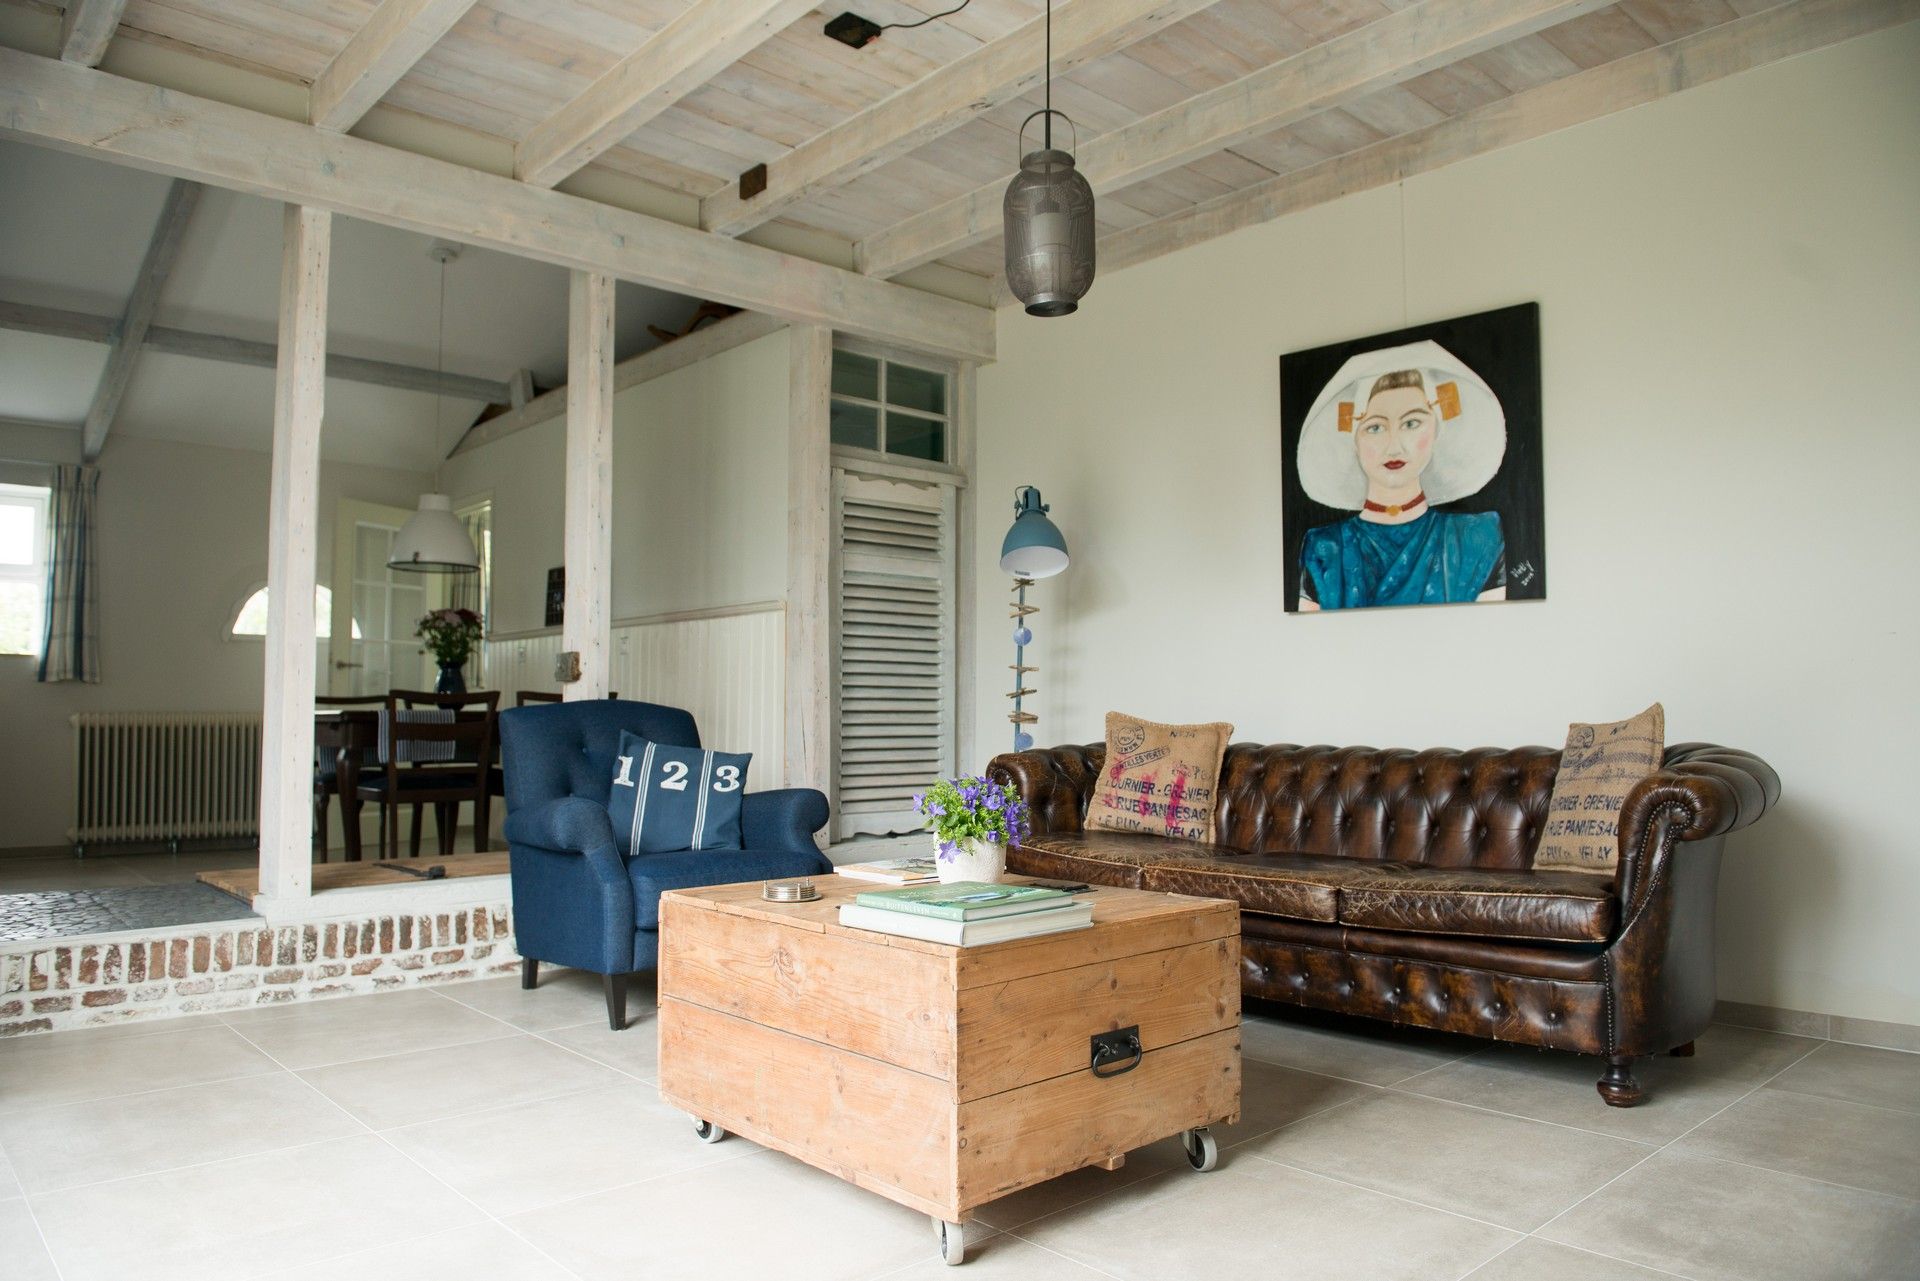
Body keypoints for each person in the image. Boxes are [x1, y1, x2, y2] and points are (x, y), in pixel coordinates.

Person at [1293, 341, 1507, 611]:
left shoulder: (1477, 539)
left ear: (1436, 430)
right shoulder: (1324, 550)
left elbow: (1491, 638)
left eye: (1411, 423)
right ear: (1354, 440)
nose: (1394, 446)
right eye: (1375, 428)